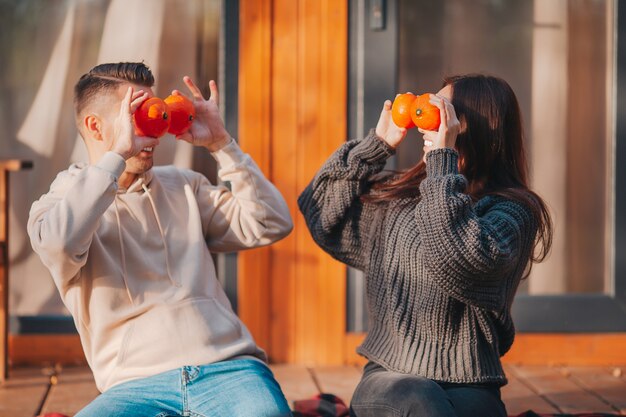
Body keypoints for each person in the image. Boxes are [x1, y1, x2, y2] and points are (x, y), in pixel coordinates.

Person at [28, 62, 294, 417]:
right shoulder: (59, 205)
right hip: (133, 386)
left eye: (156, 112)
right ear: (95, 126)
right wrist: (116, 157)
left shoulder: (184, 185)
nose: (154, 131)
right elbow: (60, 246)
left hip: (228, 369)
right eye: (137, 116)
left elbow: (272, 221)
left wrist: (222, 144)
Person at [298, 74, 553, 417]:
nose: (427, 118)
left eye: (442, 110)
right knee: (418, 398)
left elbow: (458, 259)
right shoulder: (400, 195)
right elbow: (320, 212)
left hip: (471, 379)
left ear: (474, 126)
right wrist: (377, 145)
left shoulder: (513, 211)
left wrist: (443, 162)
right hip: (391, 374)